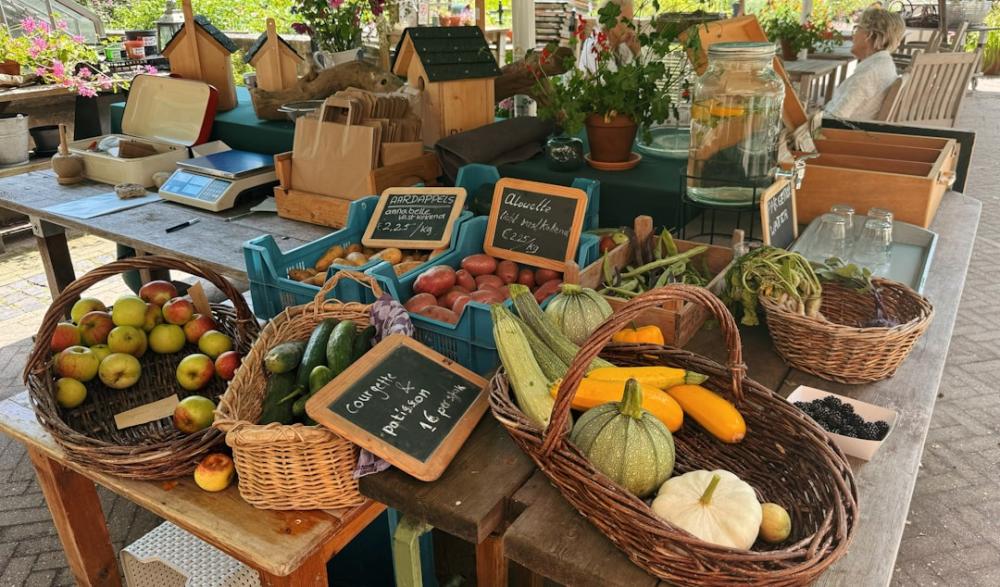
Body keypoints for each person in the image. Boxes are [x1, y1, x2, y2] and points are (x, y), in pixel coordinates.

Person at [823, 7, 906, 121]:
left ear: (869, 35)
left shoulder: (869, 74)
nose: (853, 35)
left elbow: (834, 119)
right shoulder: (884, 65)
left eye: (857, 28)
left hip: (839, 135)